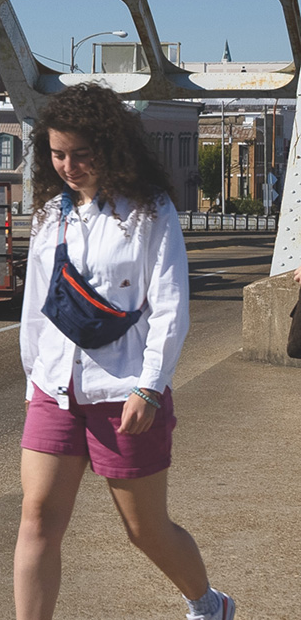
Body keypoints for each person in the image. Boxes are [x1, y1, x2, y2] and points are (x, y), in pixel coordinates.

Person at [14, 83, 235, 620]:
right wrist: (33, 386)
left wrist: (150, 386)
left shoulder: (149, 212)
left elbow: (169, 307)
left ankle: (208, 603)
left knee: (144, 528)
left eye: (81, 153)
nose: (68, 165)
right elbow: (36, 310)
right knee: (37, 517)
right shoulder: (50, 217)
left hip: (125, 392)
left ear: (110, 147)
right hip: (56, 390)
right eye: (57, 153)